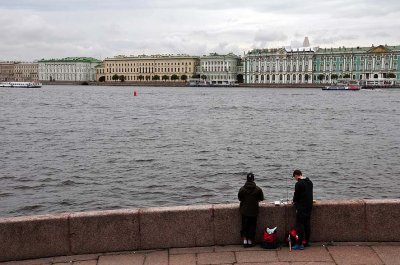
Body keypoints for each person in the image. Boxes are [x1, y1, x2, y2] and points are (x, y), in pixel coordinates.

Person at [238, 172, 264, 248]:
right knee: (252, 226)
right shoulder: (258, 189)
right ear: (253, 179)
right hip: (254, 211)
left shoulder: (242, 189)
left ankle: (245, 241)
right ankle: (250, 241)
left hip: (244, 211)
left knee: (245, 225)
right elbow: (261, 198)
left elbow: (239, 198)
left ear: (247, 179)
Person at [292, 169, 313, 250]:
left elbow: (296, 196)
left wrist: (294, 202)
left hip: (301, 208)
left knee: (299, 226)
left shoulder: (298, 184)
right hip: (309, 207)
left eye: (294, 177)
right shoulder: (309, 182)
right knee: (307, 225)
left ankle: (299, 244)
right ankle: (306, 242)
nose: (295, 178)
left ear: (296, 175)